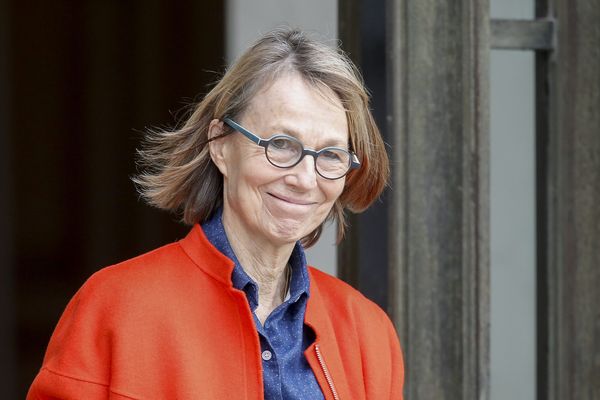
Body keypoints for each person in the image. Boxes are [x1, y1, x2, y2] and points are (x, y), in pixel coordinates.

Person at [28, 28, 404, 399]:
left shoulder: (368, 333)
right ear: (220, 145)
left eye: (331, 155)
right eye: (281, 145)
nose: (305, 179)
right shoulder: (115, 308)